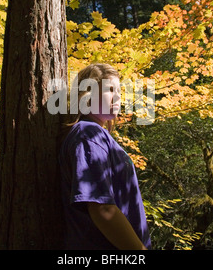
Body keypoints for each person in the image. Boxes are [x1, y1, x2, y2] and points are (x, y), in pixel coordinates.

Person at [57, 63, 151, 250]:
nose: (117, 96)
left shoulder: (95, 135)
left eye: (119, 90)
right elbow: (101, 208)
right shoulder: (88, 134)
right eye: (110, 90)